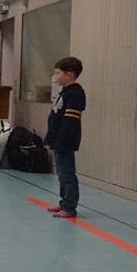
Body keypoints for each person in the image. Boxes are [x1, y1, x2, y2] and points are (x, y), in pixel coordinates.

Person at [44, 56, 86, 219]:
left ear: (69, 74)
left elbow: (69, 122)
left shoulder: (75, 94)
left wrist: (61, 141)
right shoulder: (64, 92)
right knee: (61, 174)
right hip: (58, 140)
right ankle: (64, 203)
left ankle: (69, 207)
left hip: (65, 141)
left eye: (57, 73)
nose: (54, 76)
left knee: (67, 174)